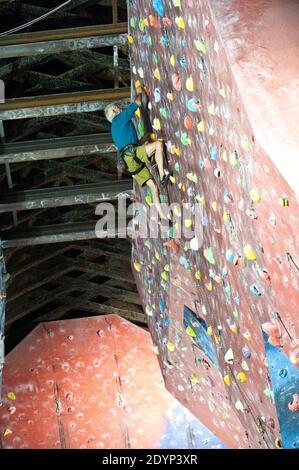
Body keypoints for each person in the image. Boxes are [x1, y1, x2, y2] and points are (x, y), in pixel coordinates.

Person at [104, 86, 171, 221]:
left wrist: (143, 139)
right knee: (158, 145)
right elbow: (137, 103)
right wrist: (139, 93)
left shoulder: (114, 129)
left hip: (130, 162)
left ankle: (164, 217)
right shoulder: (119, 119)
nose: (120, 108)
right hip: (132, 155)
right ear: (115, 111)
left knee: (154, 189)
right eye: (117, 107)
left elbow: (127, 145)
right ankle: (163, 175)